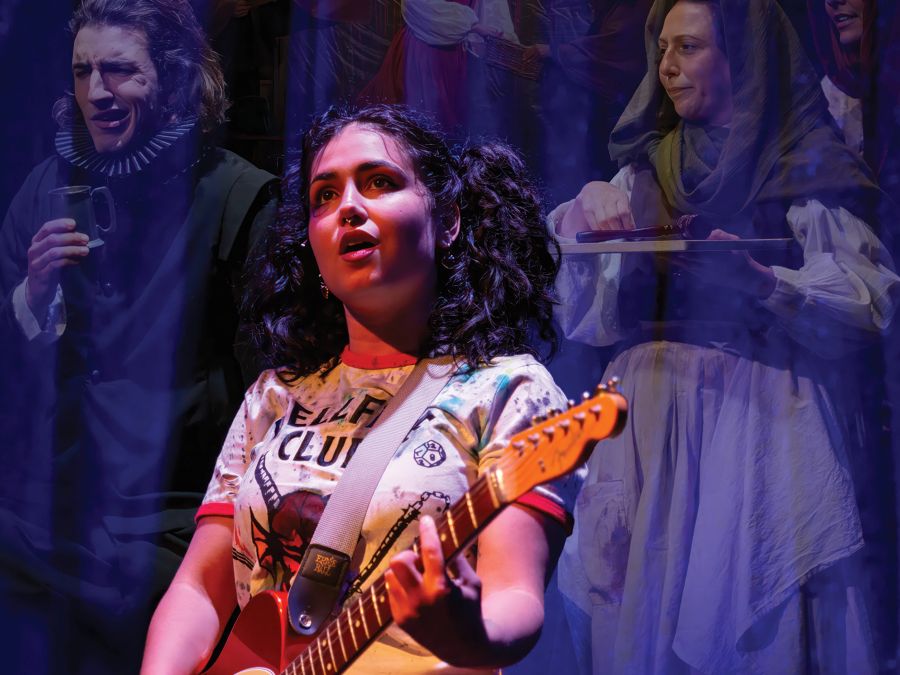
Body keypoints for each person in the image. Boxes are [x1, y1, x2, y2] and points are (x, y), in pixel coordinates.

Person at [141, 103, 581, 674]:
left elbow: (515, 599)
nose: (347, 207)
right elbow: (199, 591)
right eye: (325, 195)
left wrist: (466, 627)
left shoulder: (508, 391)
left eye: (379, 182)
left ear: (447, 220)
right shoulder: (273, 397)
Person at [547, 0, 900, 672]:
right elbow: (572, 309)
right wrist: (584, 215)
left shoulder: (802, 167)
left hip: (759, 424)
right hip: (648, 426)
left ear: (746, 61)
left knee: (750, 621)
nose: (668, 68)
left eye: (690, 48)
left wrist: (770, 285)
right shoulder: (644, 174)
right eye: (663, 50)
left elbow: (874, 302)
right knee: (645, 609)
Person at [0, 0, 276, 671]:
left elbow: (275, 390)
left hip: (175, 522)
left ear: (175, 77)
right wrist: (32, 295)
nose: (98, 92)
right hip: (54, 515)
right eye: (83, 71)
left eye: (121, 71)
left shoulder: (240, 200)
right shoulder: (45, 189)